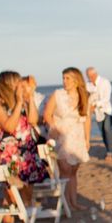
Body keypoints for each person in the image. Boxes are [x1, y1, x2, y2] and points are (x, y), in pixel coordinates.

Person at [0, 71, 48, 206]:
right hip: (10, 158)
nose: (21, 85)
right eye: (17, 82)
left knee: (27, 199)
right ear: (7, 85)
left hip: (27, 155)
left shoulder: (21, 104)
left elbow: (33, 120)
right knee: (12, 201)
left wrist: (30, 97)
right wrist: (19, 102)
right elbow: (10, 126)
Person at [45, 68, 91, 210]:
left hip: (77, 137)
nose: (64, 81)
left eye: (68, 78)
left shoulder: (84, 96)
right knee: (64, 171)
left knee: (73, 172)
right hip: (62, 137)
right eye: (63, 78)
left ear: (76, 80)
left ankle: (74, 202)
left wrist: (87, 139)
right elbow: (47, 114)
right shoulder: (57, 95)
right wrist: (54, 128)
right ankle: (66, 205)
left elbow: (87, 119)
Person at [85, 67, 112, 161]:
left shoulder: (105, 82)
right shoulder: (88, 85)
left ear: (95, 74)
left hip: (108, 110)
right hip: (98, 113)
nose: (90, 77)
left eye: (91, 75)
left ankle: (110, 153)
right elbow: (85, 95)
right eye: (88, 76)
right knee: (103, 132)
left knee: (107, 129)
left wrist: (94, 105)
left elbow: (106, 98)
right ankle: (109, 150)